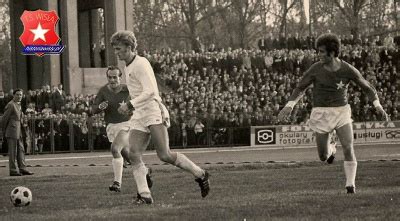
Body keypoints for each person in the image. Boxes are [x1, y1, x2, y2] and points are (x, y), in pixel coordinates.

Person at [278, 33, 389, 194]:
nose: (319, 55)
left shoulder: (347, 69)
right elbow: (300, 87)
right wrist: (289, 105)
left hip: (342, 111)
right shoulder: (315, 69)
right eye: (318, 51)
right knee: (323, 156)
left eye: (322, 51)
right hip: (321, 113)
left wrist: (377, 105)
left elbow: (367, 87)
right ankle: (331, 149)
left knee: (348, 147)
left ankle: (350, 185)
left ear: (332, 52)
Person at [111, 30, 210, 204]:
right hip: (139, 113)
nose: (116, 52)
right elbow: (137, 91)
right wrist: (128, 104)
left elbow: (150, 92)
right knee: (133, 154)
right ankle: (144, 195)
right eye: (115, 49)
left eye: (119, 48)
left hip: (152, 110)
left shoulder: (141, 63)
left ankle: (200, 174)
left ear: (129, 47)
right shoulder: (127, 66)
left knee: (164, 154)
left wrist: (130, 105)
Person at [91, 66, 152, 192]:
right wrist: (100, 107)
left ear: (120, 77)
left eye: (115, 77)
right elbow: (93, 109)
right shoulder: (103, 91)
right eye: (110, 77)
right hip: (111, 127)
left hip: (127, 124)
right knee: (129, 157)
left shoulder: (127, 89)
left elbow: (141, 99)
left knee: (115, 149)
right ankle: (145, 172)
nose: (112, 80)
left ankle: (117, 183)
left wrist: (133, 109)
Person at [1, 89, 34, 176]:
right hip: (12, 131)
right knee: (13, 152)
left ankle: (22, 168)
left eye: (20, 95)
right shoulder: (11, 105)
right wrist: (4, 131)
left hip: (18, 130)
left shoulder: (18, 105)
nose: (19, 96)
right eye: (17, 94)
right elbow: (4, 119)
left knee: (21, 150)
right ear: (14, 95)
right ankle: (13, 170)